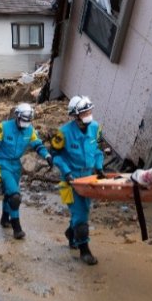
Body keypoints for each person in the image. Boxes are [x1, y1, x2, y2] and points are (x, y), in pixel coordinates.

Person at [51, 96, 105, 265]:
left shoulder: (96, 128)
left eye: (90, 111)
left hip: (89, 178)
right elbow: (55, 155)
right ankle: (84, 251)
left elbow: (98, 150)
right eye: (85, 112)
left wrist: (99, 167)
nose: (89, 114)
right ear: (75, 115)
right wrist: (66, 172)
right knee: (81, 215)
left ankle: (71, 233)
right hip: (70, 181)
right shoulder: (63, 133)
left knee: (85, 210)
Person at [0, 103, 52, 239]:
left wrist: (47, 155)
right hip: (2, 163)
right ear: (17, 116)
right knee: (15, 196)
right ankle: (16, 227)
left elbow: (38, 145)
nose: (25, 123)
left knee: (8, 194)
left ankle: (4, 219)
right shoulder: (4, 127)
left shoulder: (30, 130)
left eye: (28, 121)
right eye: (23, 120)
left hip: (16, 165)